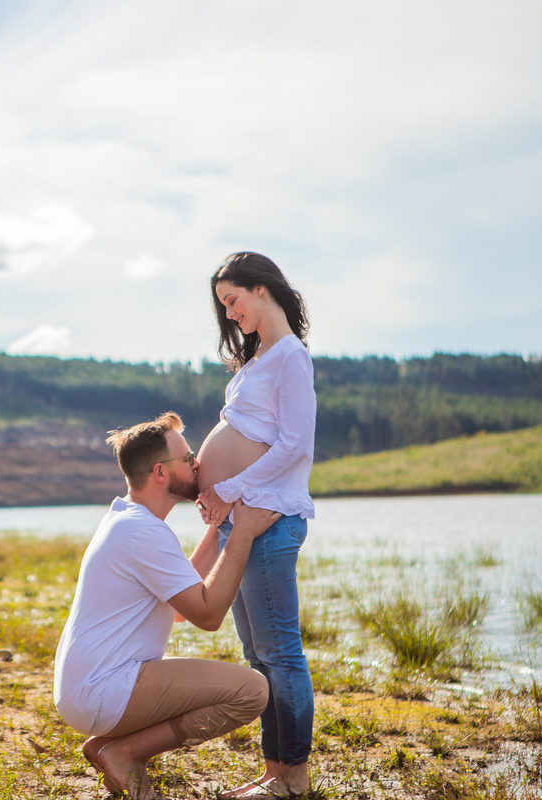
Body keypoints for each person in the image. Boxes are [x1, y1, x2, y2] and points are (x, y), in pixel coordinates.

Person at [54, 411, 281, 800]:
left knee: (241, 687)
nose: (197, 464)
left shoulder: (128, 519)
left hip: (88, 691)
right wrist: (242, 533)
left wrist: (218, 531)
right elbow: (207, 615)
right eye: (188, 457)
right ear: (160, 472)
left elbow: (177, 609)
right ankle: (125, 752)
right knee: (252, 691)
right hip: (101, 691)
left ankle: (107, 746)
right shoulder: (144, 532)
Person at [191, 252, 317, 798]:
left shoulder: (290, 356)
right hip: (241, 521)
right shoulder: (258, 358)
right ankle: (272, 772)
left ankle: (294, 776)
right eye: (223, 305)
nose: (229, 313)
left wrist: (228, 488)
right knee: (258, 655)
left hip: (265, 518)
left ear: (261, 289)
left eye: (232, 300)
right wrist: (218, 496)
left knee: (280, 652)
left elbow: (295, 445)